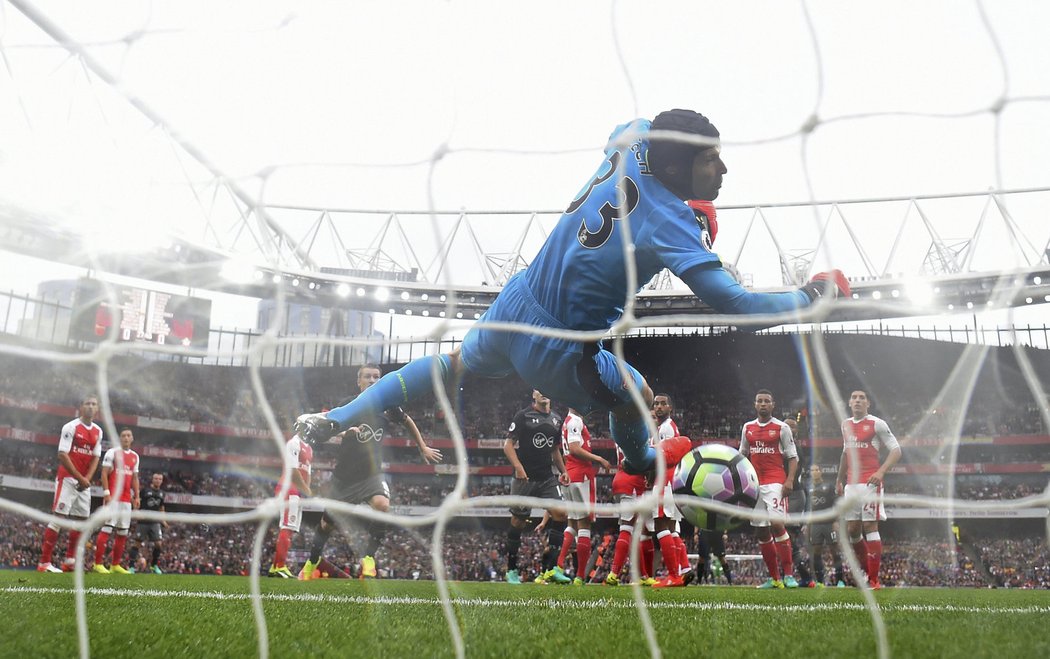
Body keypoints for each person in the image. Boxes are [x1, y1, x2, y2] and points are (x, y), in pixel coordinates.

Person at [293, 109, 850, 478]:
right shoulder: (672, 222)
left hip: (515, 304)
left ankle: (338, 415)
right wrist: (812, 295)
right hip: (561, 348)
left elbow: (639, 125)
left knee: (454, 363)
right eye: (711, 158)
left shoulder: (631, 144)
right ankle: (647, 465)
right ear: (681, 164)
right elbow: (737, 305)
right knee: (633, 391)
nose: (723, 167)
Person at [301, 364, 442, 581]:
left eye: (377, 377)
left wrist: (422, 446)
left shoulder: (388, 406)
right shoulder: (348, 404)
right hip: (344, 478)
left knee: (382, 505)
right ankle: (312, 562)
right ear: (359, 382)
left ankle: (368, 558)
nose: (373, 380)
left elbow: (407, 421)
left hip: (371, 475)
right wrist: (346, 431)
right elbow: (327, 432)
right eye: (367, 376)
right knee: (327, 525)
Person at [835, 389, 902, 590]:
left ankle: (874, 580)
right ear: (849, 402)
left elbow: (896, 450)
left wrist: (881, 472)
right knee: (853, 530)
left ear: (868, 403)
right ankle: (866, 572)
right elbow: (845, 453)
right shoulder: (845, 424)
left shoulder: (876, 423)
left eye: (861, 398)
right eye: (854, 397)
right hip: (850, 484)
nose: (857, 400)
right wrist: (839, 479)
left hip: (869, 484)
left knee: (870, 526)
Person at [502, 390, 570, 585]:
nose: (544, 393)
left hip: (547, 477)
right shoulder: (523, 416)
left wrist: (563, 470)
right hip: (525, 479)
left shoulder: (557, 419)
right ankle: (512, 569)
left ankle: (551, 569)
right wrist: (518, 468)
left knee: (561, 514)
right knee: (518, 522)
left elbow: (555, 449)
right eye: (539, 390)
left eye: (547, 389)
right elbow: (508, 445)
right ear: (533, 395)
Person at [739, 389, 800, 589]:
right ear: (755, 405)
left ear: (773, 405)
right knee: (761, 531)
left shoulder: (782, 428)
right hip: (755, 484)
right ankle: (774, 579)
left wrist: (789, 480)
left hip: (775, 482)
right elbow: (742, 456)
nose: (763, 404)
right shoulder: (747, 427)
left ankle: (789, 575)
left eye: (767, 401)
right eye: (760, 401)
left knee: (777, 525)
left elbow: (792, 456)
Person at [38, 395, 103, 573]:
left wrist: (87, 479)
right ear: (81, 407)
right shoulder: (71, 427)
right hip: (67, 478)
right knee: (58, 518)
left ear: (98, 409)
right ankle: (44, 563)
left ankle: (70, 561)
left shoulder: (98, 431)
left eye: (94, 404)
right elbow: (62, 454)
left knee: (81, 521)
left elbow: (96, 457)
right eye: (87, 403)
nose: (91, 407)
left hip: (84, 482)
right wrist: (80, 478)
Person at [556, 407, 611, 585]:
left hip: (570, 474)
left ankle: (558, 565)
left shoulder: (567, 421)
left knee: (572, 522)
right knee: (584, 524)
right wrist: (599, 459)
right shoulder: (575, 421)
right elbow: (574, 448)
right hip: (581, 475)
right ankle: (580, 576)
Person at [649, 394, 692, 587]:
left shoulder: (666, 428)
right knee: (672, 527)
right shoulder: (666, 427)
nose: (658, 407)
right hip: (672, 480)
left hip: (665, 479)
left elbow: (663, 455)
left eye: (663, 404)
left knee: (661, 525)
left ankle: (674, 575)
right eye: (656, 404)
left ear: (670, 408)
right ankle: (684, 568)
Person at [92, 428, 141, 574]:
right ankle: (98, 563)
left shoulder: (135, 457)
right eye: (123, 435)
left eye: (128, 435)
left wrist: (137, 496)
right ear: (120, 438)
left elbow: (135, 478)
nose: (126, 438)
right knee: (107, 528)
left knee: (123, 532)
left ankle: (115, 565)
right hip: (113, 497)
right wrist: (106, 493)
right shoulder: (112, 452)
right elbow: (104, 473)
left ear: (132, 438)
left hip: (126, 499)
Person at [268, 432, 313, 578]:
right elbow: (292, 471)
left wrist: (307, 491)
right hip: (289, 487)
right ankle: (279, 566)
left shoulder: (309, 448)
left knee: (290, 527)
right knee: (287, 526)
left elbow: (308, 472)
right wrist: (307, 490)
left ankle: (276, 566)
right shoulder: (293, 443)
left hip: (297, 491)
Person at [782, 417, 812, 586]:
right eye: (786, 425)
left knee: (785, 536)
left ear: (796, 431)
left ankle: (803, 575)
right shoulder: (784, 445)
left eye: (792, 426)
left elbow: (795, 469)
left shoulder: (795, 447)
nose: (788, 428)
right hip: (787, 495)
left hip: (794, 495)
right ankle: (796, 575)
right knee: (783, 537)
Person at [806, 464, 845, 587]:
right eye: (812, 470)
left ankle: (840, 581)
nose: (815, 472)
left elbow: (836, 504)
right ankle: (819, 581)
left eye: (817, 469)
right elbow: (808, 507)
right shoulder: (808, 488)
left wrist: (836, 521)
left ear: (821, 471)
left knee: (834, 550)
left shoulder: (828, 486)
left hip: (829, 522)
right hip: (815, 524)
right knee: (816, 552)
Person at [131, 473, 169, 574]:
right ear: (152, 480)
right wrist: (136, 511)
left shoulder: (162, 493)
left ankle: (154, 565)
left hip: (155, 522)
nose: (158, 480)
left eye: (160, 479)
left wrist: (164, 520)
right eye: (156, 478)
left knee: (158, 544)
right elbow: (136, 501)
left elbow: (161, 507)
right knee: (137, 544)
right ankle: (131, 567)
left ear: (162, 481)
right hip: (143, 521)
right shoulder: (145, 491)